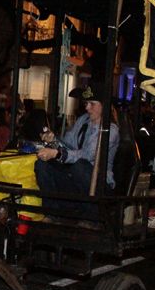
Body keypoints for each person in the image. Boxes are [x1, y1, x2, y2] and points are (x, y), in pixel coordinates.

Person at [34, 82, 120, 212]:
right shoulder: (83, 120)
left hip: (99, 184)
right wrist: (52, 142)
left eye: (92, 104)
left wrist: (58, 154)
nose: (87, 108)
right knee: (42, 164)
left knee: (80, 166)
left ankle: (93, 217)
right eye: (86, 104)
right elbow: (68, 145)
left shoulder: (110, 130)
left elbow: (88, 154)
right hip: (76, 178)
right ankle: (52, 213)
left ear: (105, 106)